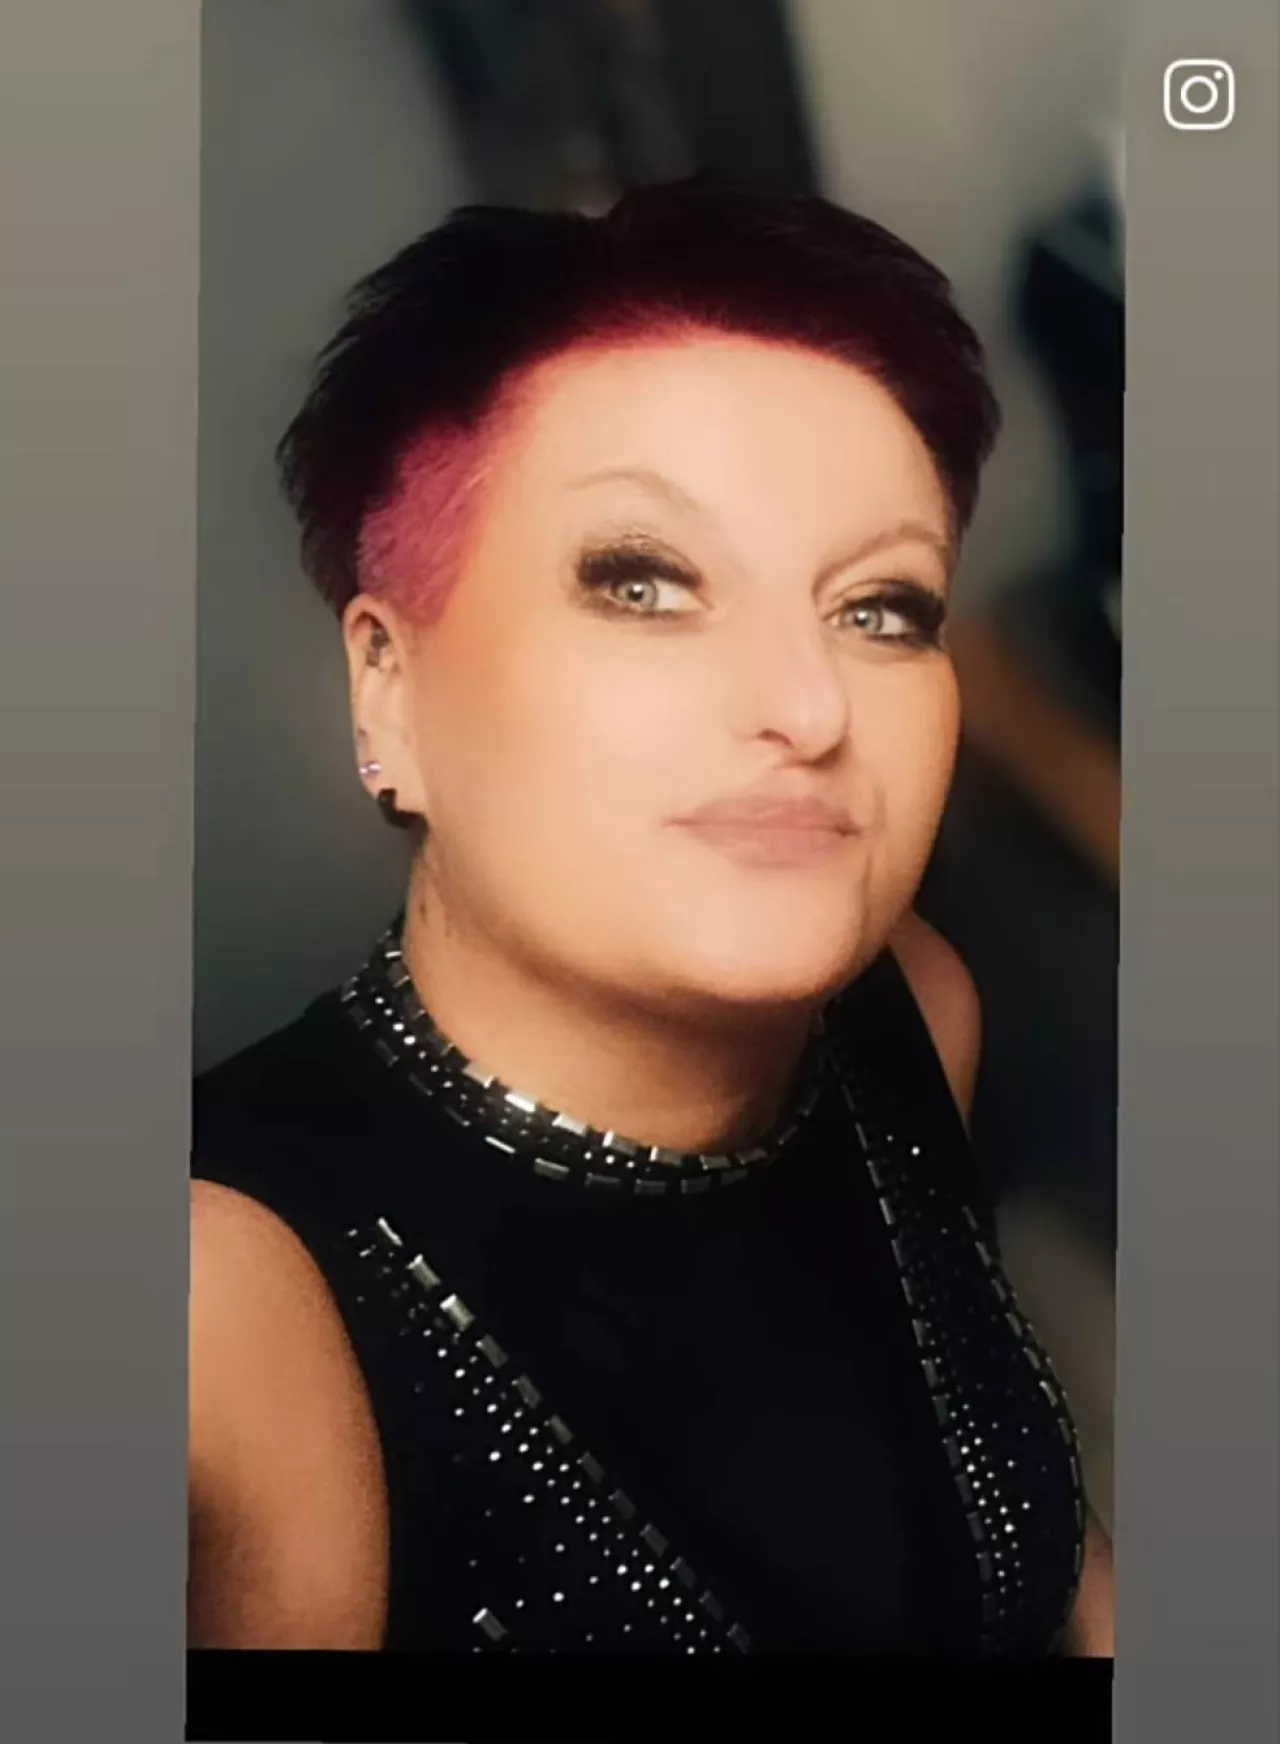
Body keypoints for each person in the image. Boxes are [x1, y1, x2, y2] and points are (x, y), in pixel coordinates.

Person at [188, 177, 1114, 1657]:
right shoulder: (220, 1304)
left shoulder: (918, 1008)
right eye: (644, 583)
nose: (810, 707)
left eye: (883, 608)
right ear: (388, 690)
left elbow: (1042, 1567)